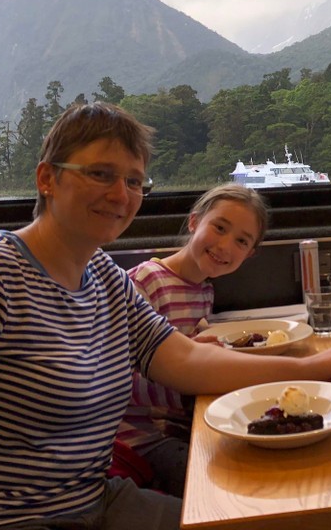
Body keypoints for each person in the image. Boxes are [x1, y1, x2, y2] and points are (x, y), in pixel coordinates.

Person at [0, 102, 331, 530]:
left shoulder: (104, 279)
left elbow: (189, 361)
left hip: (90, 501)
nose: (121, 194)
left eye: (134, 180)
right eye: (101, 174)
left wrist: (312, 369)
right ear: (47, 179)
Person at [116, 183, 269, 496]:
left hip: (184, 425)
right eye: (219, 227)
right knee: (234, 481)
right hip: (138, 438)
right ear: (195, 221)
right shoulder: (146, 282)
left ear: (249, 254)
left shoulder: (204, 291)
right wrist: (190, 380)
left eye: (241, 241)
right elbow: (114, 381)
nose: (225, 246)